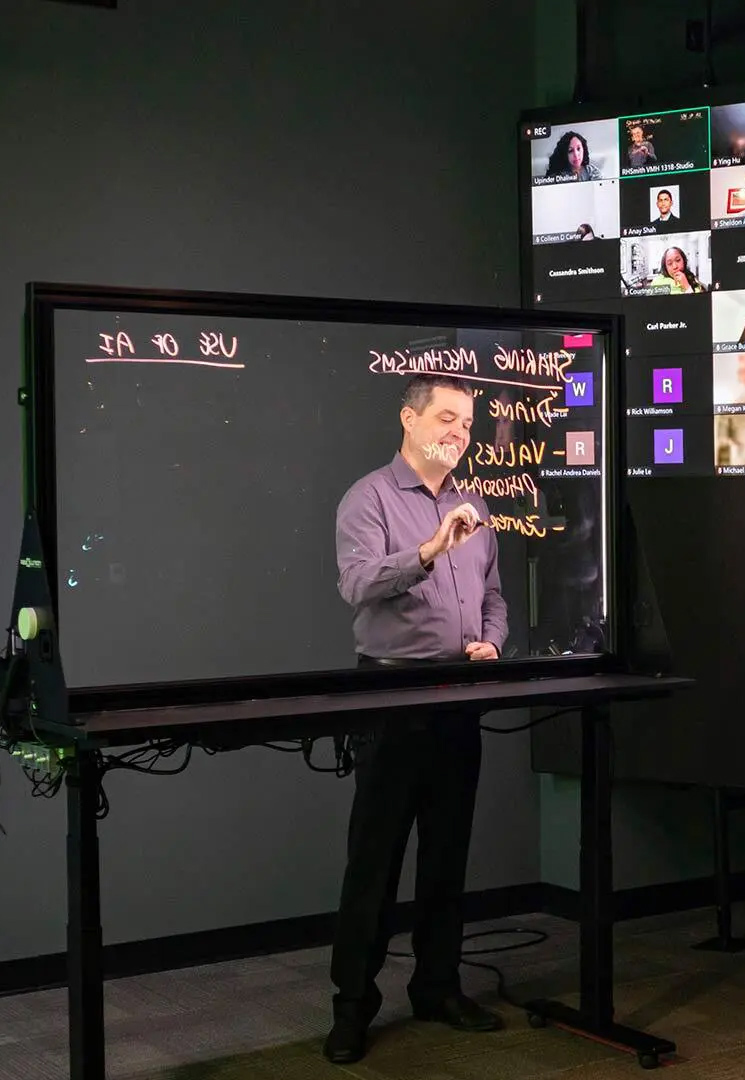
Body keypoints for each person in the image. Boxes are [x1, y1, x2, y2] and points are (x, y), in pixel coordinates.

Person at [326, 374, 508, 1064]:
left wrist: (492, 640)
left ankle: (438, 988)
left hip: (458, 698)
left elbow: (492, 595)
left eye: (467, 422)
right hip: (393, 698)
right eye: (447, 418)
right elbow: (357, 584)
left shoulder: (474, 501)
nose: (459, 433)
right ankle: (352, 1008)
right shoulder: (368, 498)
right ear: (409, 420)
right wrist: (429, 550)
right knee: (375, 860)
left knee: (446, 854)